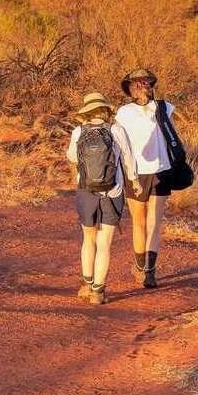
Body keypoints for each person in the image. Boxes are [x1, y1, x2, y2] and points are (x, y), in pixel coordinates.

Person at [66, 92, 141, 305]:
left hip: (85, 191)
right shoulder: (116, 130)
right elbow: (128, 159)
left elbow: (71, 157)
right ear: (106, 110)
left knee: (88, 239)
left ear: (87, 111)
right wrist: (134, 181)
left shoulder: (78, 132)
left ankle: (87, 284)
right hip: (113, 191)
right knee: (104, 243)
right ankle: (98, 292)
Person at [115, 69, 174, 289]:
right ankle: (149, 272)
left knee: (139, 223)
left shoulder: (124, 112)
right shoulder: (165, 107)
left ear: (131, 88)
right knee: (154, 224)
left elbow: (120, 143)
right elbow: (172, 138)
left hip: (136, 172)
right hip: (161, 169)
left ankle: (141, 268)